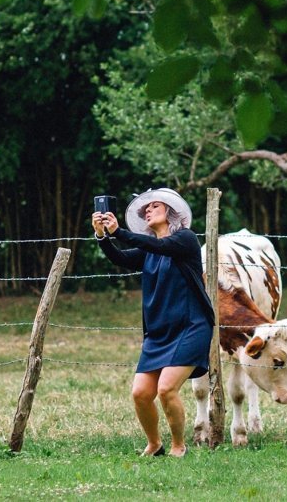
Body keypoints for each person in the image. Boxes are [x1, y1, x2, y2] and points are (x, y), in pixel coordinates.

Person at [91, 188, 214, 458]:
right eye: (144, 209)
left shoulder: (185, 240)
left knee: (167, 389)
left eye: (154, 206)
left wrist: (119, 232)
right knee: (140, 393)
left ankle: (178, 446)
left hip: (191, 326)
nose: (147, 210)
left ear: (170, 212)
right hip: (159, 333)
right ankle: (154, 444)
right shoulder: (148, 251)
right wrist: (102, 235)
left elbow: (162, 246)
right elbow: (120, 258)